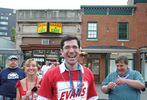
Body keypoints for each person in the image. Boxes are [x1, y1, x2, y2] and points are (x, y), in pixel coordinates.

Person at [37, 35, 98, 100]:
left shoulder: (88, 73)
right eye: (67, 47)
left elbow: (92, 98)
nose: (71, 51)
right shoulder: (50, 74)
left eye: (75, 47)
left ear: (79, 50)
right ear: (61, 51)